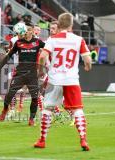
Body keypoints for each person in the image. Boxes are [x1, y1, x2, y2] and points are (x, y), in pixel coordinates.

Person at [34, 13, 92, 151]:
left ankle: (42, 140)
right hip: (71, 79)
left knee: (47, 109)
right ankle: (83, 139)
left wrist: (41, 70)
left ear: (59, 25)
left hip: (55, 79)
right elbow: (88, 60)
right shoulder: (79, 39)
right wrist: (87, 66)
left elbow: (42, 56)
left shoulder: (53, 39)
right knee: (78, 109)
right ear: (72, 25)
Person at [0, 22, 45, 126]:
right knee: (10, 94)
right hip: (20, 73)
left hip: (32, 74)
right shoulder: (18, 42)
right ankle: (5, 110)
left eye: (28, 30)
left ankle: (31, 119)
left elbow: (49, 50)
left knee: (35, 97)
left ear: (32, 31)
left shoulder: (38, 42)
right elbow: (8, 55)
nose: (26, 32)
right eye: (25, 30)